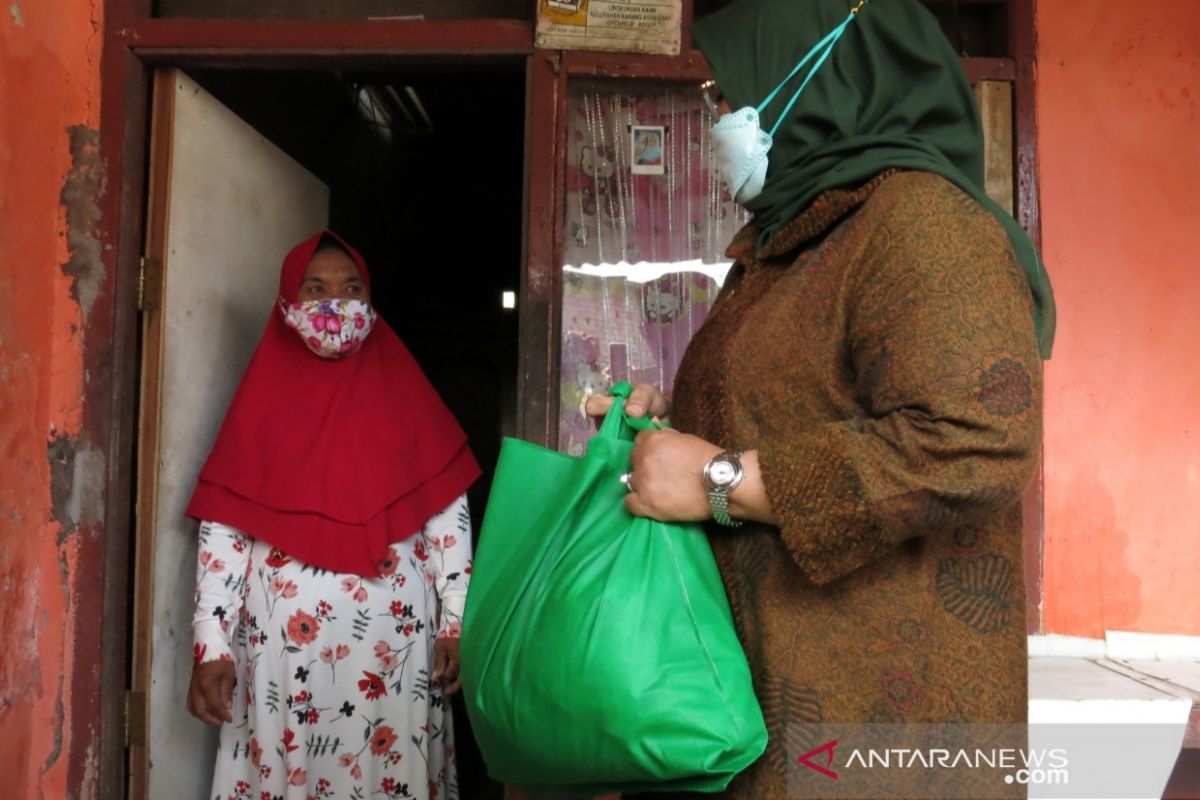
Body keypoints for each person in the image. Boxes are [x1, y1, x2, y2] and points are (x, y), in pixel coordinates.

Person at [587, 0, 1055, 797]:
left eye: (733, 93)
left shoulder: (922, 223)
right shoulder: (795, 241)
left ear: (824, 81)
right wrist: (667, 437)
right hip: (772, 704)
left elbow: (977, 442)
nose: (720, 117)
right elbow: (787, 415)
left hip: (877, 733)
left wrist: (718, 482)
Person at [186, 231, 480, 800]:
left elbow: (447, 514)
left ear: (370, 301)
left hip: (394, 655)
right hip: (280, 657)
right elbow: (223, 529)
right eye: (315, 289)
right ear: (286, 303)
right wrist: (211, 645)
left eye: (351, 289)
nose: (334, 305)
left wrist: (457, 622)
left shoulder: (406, 395)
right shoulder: (258, 405)